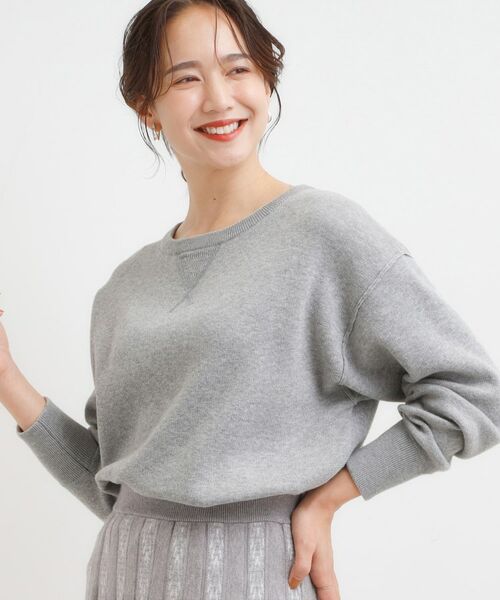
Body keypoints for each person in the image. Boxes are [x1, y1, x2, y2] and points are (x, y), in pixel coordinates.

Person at [1, 1, 499, 599]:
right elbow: (114, 491)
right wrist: (8, 380)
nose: (218, 98)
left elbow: (474, 395)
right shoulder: (124, 289)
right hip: (122, 575)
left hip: (256, 575)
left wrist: (330, 497)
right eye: (185, 78)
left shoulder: (324, 236)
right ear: (146, 107)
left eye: (238, 69)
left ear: (266, 80)